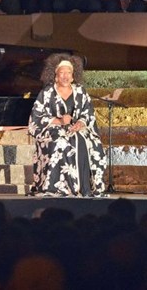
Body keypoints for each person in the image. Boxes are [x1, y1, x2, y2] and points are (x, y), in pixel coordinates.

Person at [28, 54, 107, 197]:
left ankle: (84, 188)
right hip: (52, 130)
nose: (65, 76)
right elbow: (36, 118)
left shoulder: (80, 91)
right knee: (60, 141)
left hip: (77, 129)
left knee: (86, 142)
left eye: (68, 73)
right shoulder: (47, 93)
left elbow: (88, 112)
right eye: (62, 73)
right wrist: (59, 121)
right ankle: (56, 187)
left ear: (73, 75)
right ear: (55, 75)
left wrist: (80, 123)